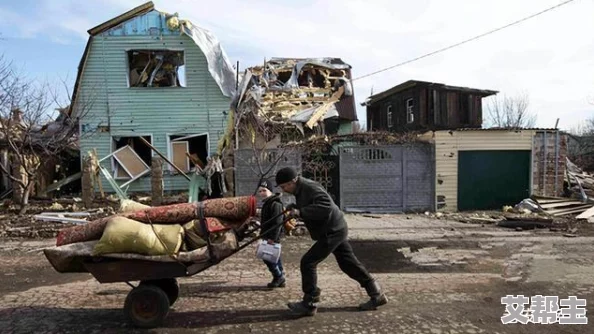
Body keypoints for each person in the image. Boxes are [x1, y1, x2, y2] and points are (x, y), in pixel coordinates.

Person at [275, 167, 388, 316]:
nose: (284, 190)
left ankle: (310, 303)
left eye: (284, 186)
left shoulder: (309, 187)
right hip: (334, 228)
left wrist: (301, 212)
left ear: (293, 181)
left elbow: (325, 206)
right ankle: (376, 293)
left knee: (308, 262)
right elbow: (312, 204)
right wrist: (296, 207)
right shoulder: (301, 189)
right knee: (348, 263)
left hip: (332, 231)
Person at [257, 179, 286, 288]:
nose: (262, 193)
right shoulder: (267, 203)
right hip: (267, 234)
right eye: (260, 191)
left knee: (268, 257)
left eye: (264, 190)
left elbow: (278, 222)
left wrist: (272, 238)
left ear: (270, 191)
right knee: (274, 256)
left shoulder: (275, 204)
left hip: (273, 235)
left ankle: (278, 276)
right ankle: (280, 276)